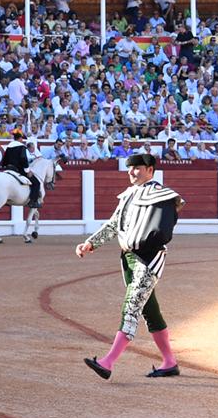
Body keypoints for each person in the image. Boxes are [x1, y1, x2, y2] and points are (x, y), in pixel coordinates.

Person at [77, 152, 183, 380]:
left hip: (149, 258)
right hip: (128, 258)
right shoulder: (128, 195)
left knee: (132, 305)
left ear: (150, 170)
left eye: (137, 168)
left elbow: (165, 225)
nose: (132, 172)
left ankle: (108, 362)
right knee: (150, 311)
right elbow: (114, 224)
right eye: (130, 168)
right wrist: (90, 243)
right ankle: (170, 362)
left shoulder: (160, 194)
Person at [0, 138, 40, 207]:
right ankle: (33, 201)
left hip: (8, 168)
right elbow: (24, 160)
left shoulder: (9, 146)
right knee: (36, 183)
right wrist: (28, 171)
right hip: (18, 169)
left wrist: (3, 167)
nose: (33, 149)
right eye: (32, 148)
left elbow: (5, 158)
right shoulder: (23, 148)